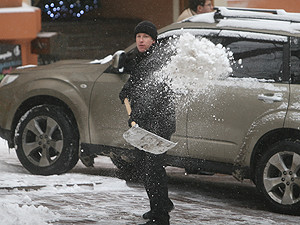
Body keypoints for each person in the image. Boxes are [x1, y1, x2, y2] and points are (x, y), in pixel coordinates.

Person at [119, 21, 176, 225]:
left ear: (153, 40)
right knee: (149, 167)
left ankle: (161, 216)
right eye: (138, 36)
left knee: (152, 168)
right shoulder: (143, 58)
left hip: (158, 124)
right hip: (148, 123)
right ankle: (160, 205)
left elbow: (151, 96)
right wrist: (126, 91)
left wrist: (135, 117)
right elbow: (136, 83)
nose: (141, 40)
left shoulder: (156, 61)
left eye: (145, 37)